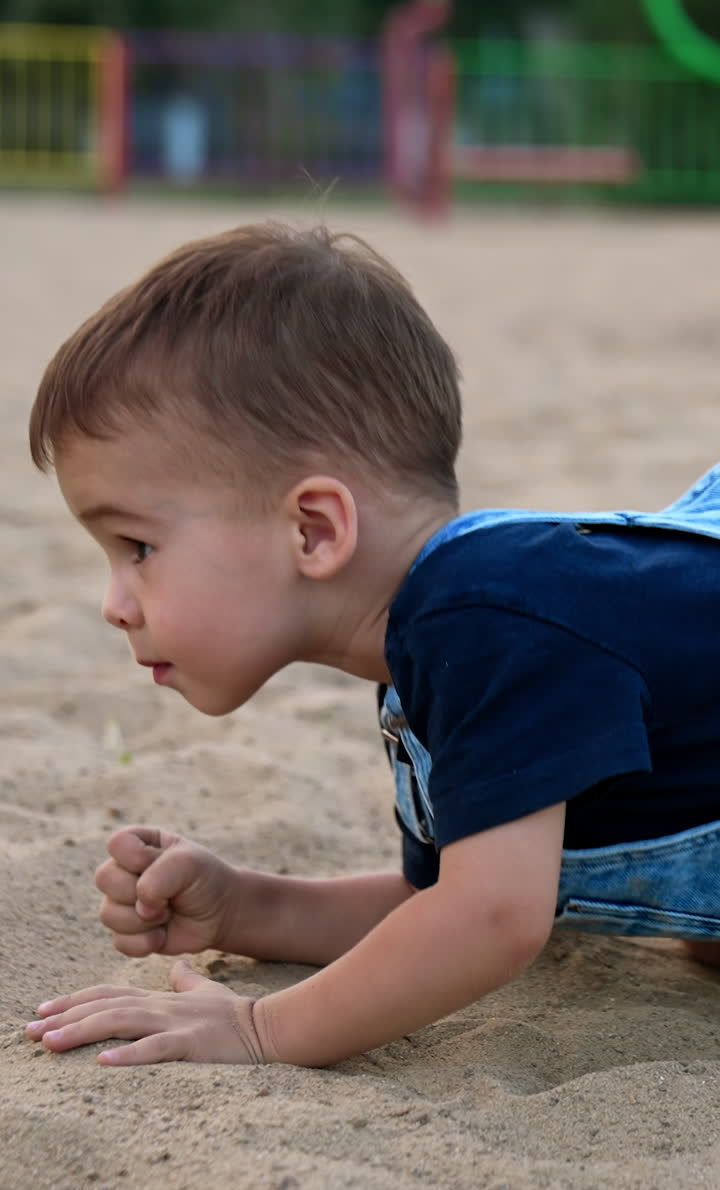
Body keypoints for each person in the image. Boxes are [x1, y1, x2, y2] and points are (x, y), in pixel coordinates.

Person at [24, 222, 720, 1070]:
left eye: (137, 548)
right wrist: (248, 908)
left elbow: (494, 920)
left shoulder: (486, 618)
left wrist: (260, 1029)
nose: (113, 605)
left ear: (314, 530)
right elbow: (436, 903)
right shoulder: (429, 657)